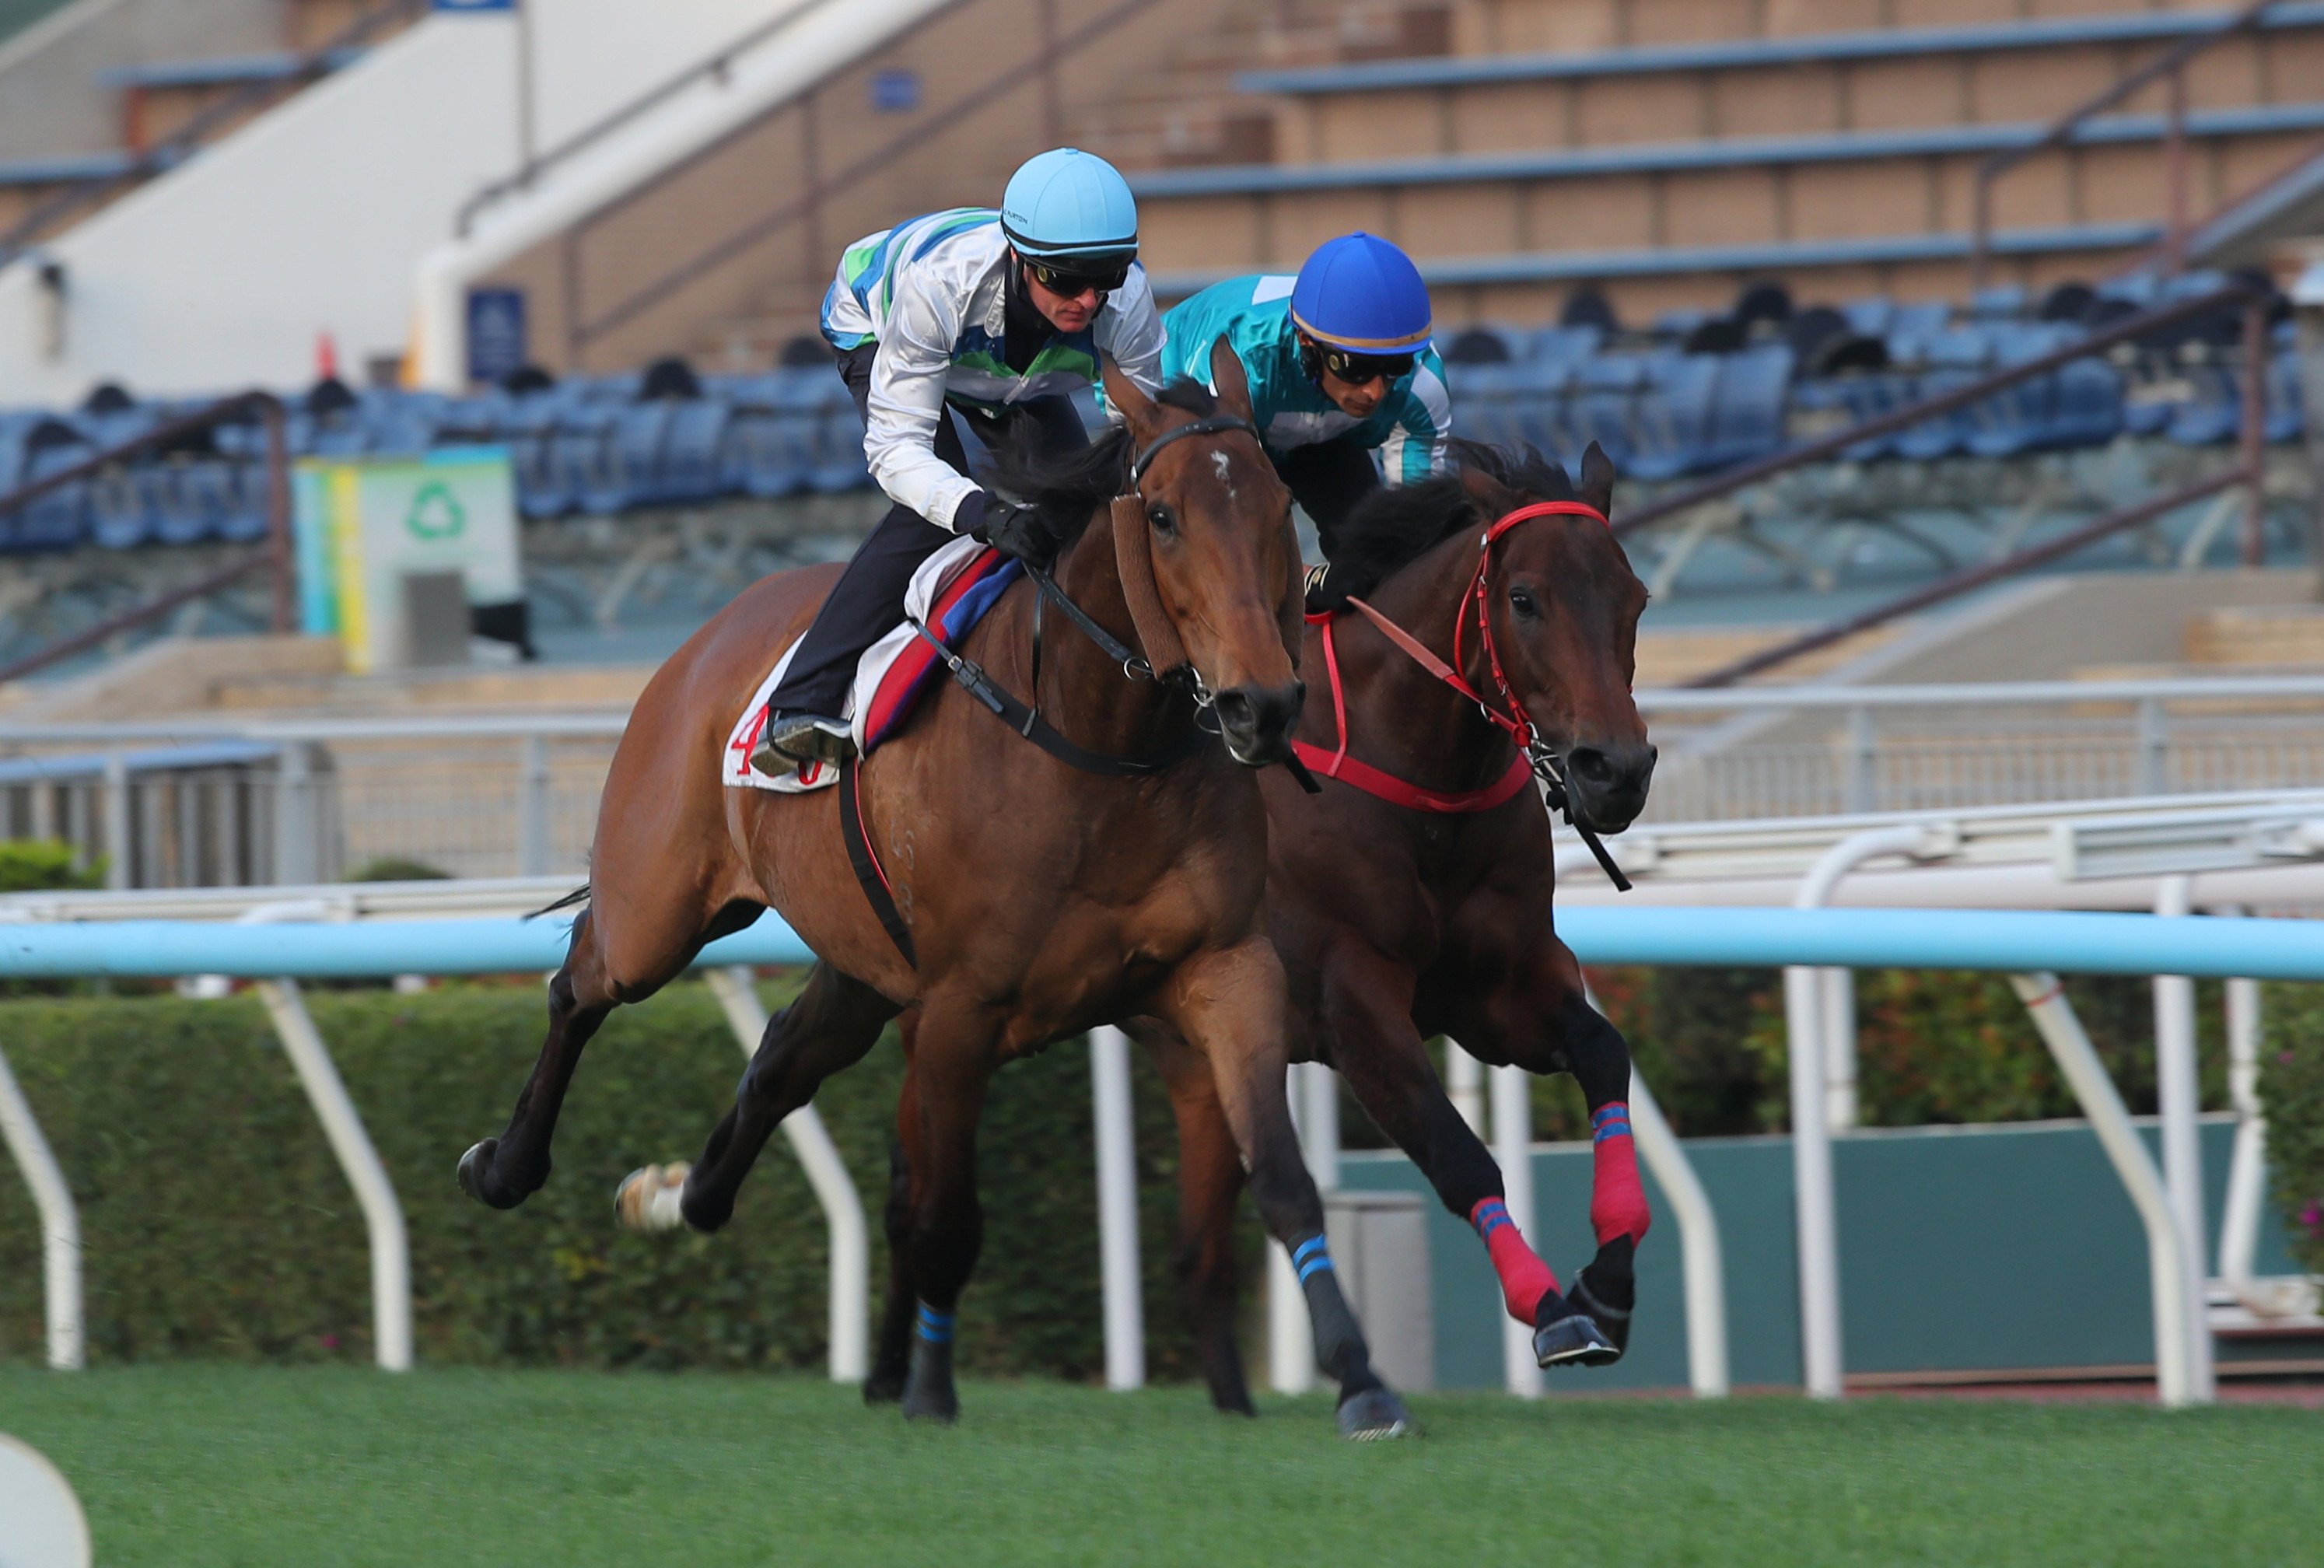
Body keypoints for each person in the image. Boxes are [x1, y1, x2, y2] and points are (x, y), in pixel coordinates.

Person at [751, 148, 1165, 772]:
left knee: (1084, 509)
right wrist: (981, 512)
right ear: (1020, 257)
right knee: (931, 512)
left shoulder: (1127, 297)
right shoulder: (940, 285)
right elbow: (897, 451)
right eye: (1063, 279)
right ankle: (798, 703)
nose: (1085, 300)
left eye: (1101, 279)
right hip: (880, 321)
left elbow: (1140, 431)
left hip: (1020, 372)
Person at [1157, 232, 1449, 571]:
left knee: (1381, 562)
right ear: (1306, 344)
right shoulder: (1241, 362)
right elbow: (1210, 517)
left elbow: (1415, 536)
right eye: (1355, 367)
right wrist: (1296, 577)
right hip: (1201, 417)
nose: (1375, 392)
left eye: (1393, 368)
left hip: (1318, 434)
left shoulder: (1421, 378)